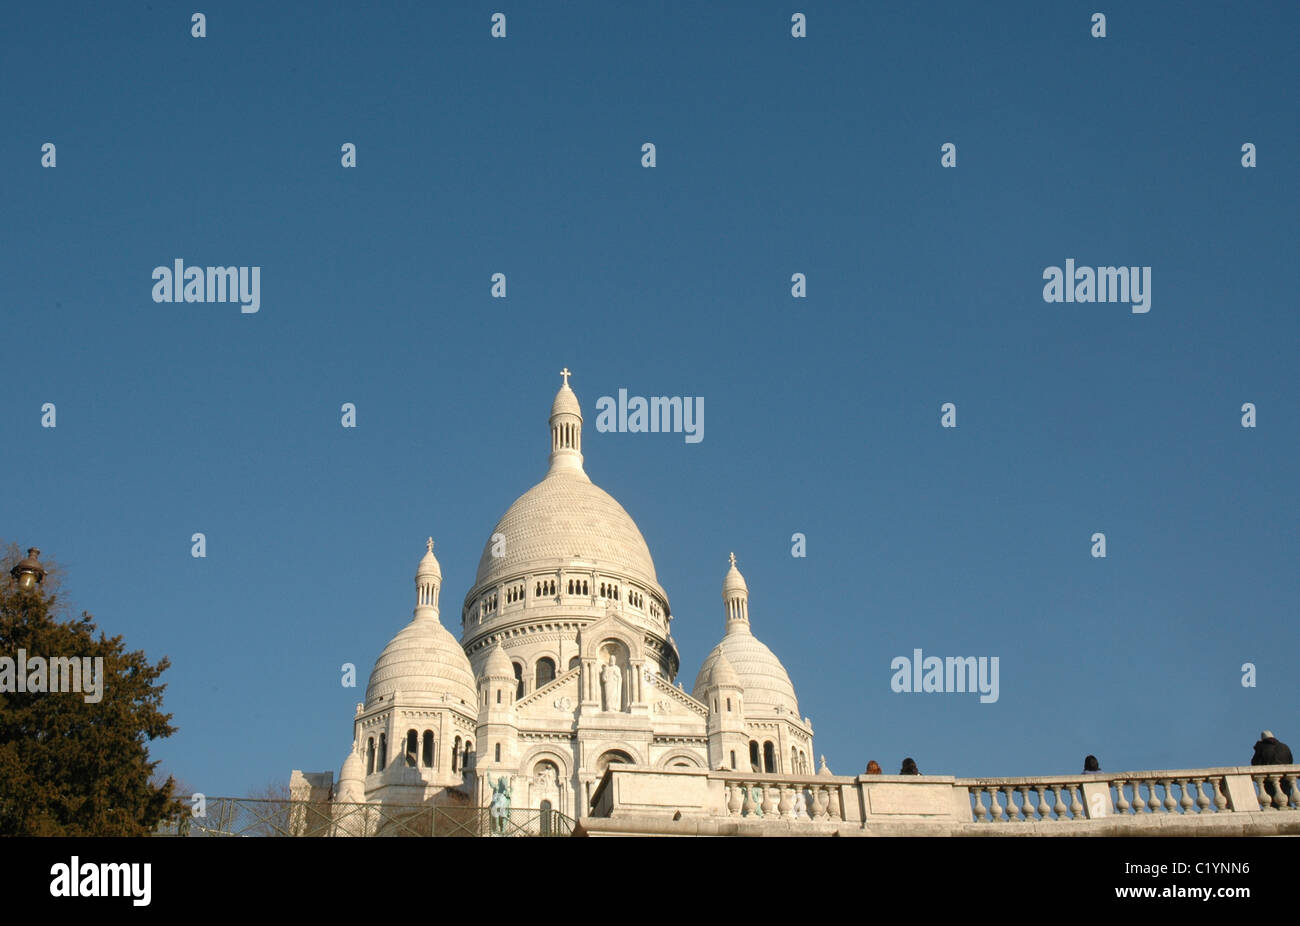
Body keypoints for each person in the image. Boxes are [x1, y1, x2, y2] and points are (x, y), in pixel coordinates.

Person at [1251, 730, 1294, 805]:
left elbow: (1255, 763)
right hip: (1285, 780)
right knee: (1286, 801)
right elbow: (1290, 761)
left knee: (1274, 802)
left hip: (1270, 782)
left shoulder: (1262, 747)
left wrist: (1257, 747)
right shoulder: (1284, 747)